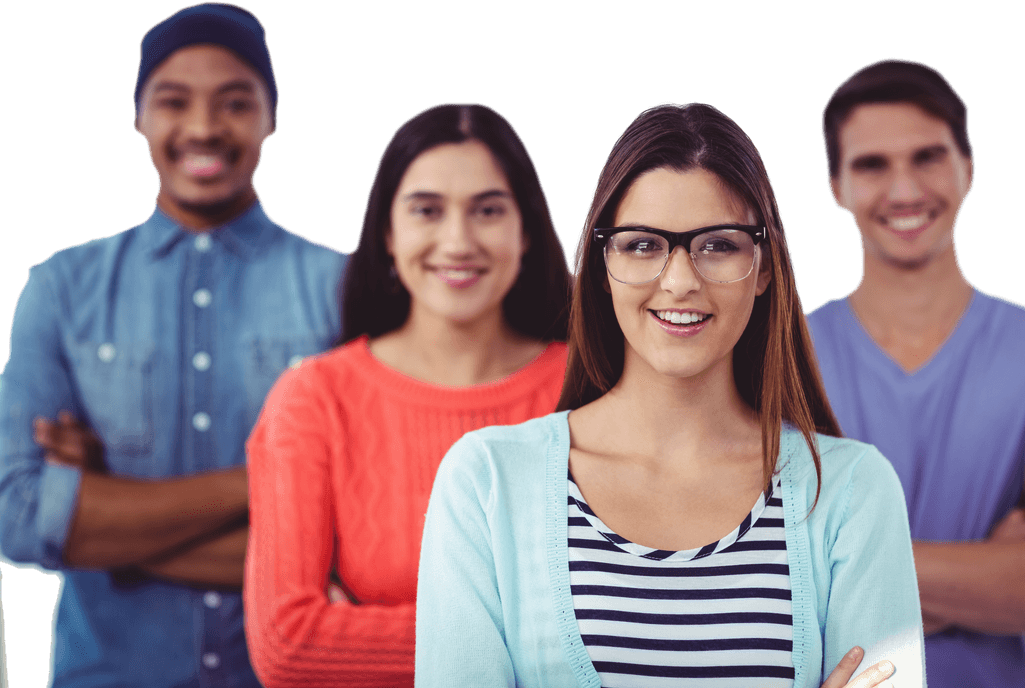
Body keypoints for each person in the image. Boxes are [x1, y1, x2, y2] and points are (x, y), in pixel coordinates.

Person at [415, 102, 924, 687]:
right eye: (641, 245)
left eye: (718, 245)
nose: (680, 280)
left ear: (763, 268)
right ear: (602, 263)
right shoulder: (486, 482)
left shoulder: (853, 491)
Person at [0, 4, 345, 686]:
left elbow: (365, 537)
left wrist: (110, 517)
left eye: (235, 102)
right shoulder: (61, 288)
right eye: (173, 101)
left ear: (271, 117)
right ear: (139, 117)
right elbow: (15, 511)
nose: (203, 127)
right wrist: (270, 485)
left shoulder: (346, 289)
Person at [243, 102, 572, 687]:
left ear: (526, 231)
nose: (458, 239)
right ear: (388, 234)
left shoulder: (594, 387)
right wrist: (535, 637)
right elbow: (288, 646)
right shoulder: (315, 399)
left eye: (488, 210)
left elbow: (646, 613)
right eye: (427, 210)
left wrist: (363, 632)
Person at [806, 58, 1025, 688]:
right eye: (871, 165)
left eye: (927, 157)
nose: (904, 191)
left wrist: (849, 573)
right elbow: (753, 581)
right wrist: (997, 571)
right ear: (835, 187)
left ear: (969, 170)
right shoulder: (780, 359)